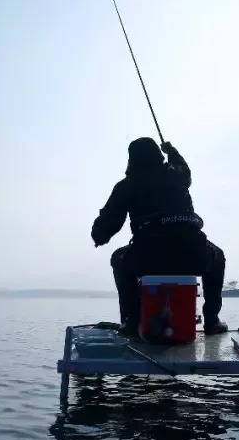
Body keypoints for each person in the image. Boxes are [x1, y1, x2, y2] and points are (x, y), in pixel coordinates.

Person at [91, 137, 228, 336]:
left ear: (131, 160)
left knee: (118, 259)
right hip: (193, 257)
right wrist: (171, 150)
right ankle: (212, 321)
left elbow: (104, 229)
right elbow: (184, 169)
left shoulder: (127, 186)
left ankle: (131, 321)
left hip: (148, 260)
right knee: (218, 257)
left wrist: (98, 236)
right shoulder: (177, 176)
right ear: (158, 155)